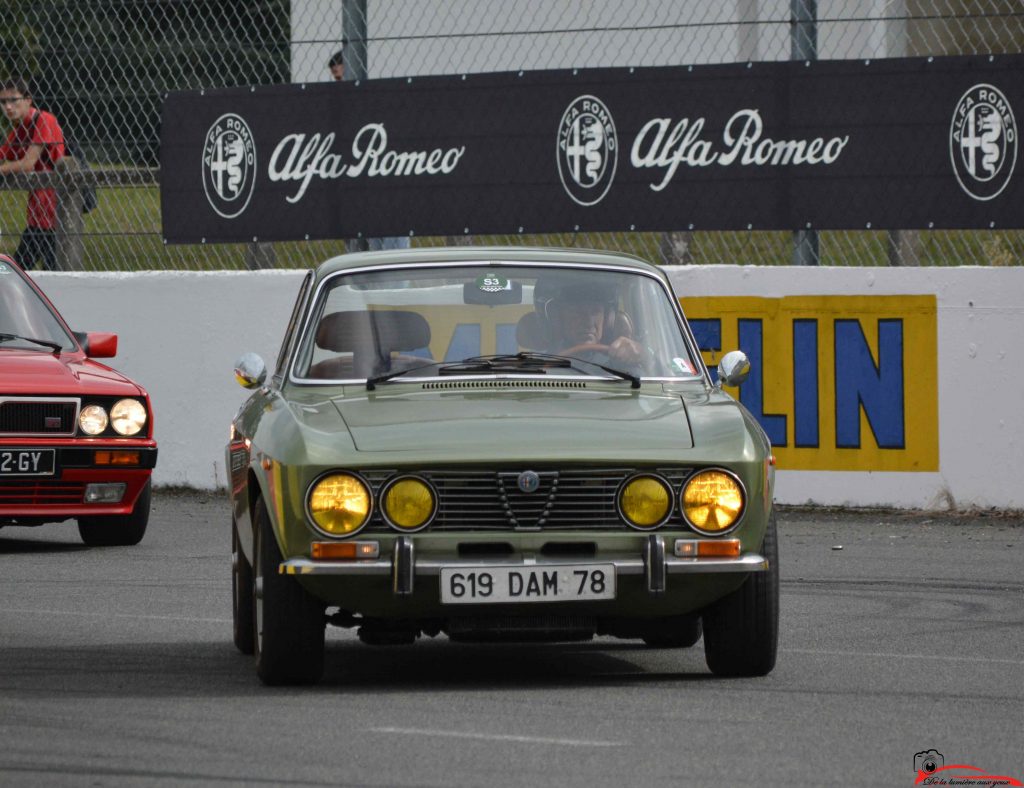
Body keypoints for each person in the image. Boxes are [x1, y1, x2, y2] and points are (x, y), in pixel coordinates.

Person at [0, 77, 65, 271]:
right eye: (3, 102)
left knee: (49, 275)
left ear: (28, 99)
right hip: (37, 216)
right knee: (20, 273)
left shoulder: (45, 120)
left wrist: (3, 168)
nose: (8, 107)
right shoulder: (20, 130)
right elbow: (3, 154)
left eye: (14, 100)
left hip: (56, 213)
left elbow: (29, 163)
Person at [526, 278, 649, 368]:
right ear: (557, 318)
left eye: (596, 312)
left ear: (607, 320)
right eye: (577, 312)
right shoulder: (536, 368)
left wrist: (642, 356)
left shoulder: (622, 364)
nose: (589, 322)